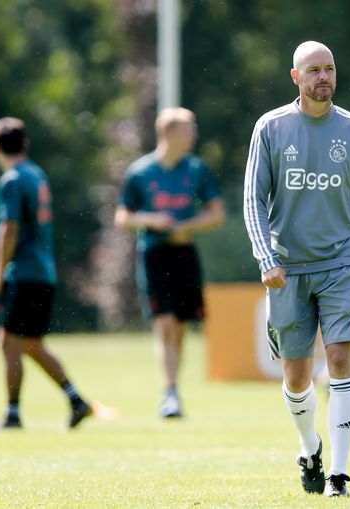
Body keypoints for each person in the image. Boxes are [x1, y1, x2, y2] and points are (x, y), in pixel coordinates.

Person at [243, 41, 350, 497]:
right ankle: (309, 448)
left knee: (341, 358)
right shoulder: (271, 127)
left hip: (340, 263)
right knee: (296, 377)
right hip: (286, 267)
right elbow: (252, 200)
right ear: (296, 77)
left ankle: (338, 474)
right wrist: (266, 258)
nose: (323, 77)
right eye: (313, 70)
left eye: (329, 68)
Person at [0, 117, 93, 434]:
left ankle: (12, 414)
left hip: (24, 271)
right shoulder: (36, 175)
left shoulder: (12, 180)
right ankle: (76, 400)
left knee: (8, 342)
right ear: (25, 144)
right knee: (30, 343)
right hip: (44, 272)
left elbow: (9, 228)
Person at [115, 107, 225, 418]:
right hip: (154, 256)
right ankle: (170, 393)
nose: (194, 134)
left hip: (185, 254)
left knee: (180, 327)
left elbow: (216, 214)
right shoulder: (140, 172)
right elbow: (122, 218)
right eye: (188, 128)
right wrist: (152, 220)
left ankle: (173, 389)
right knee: (164, 324)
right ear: (168, 132)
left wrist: (186, 226)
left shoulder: (197, 169)